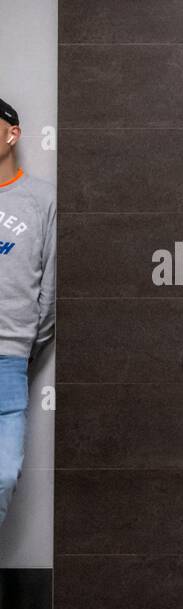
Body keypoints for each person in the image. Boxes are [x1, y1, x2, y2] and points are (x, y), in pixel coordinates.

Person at [0, 97, 55, 529]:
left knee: (3, 475)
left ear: (12, 133)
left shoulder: (42, 199)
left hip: (9, 360)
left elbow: (50, 290)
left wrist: (23, 345)